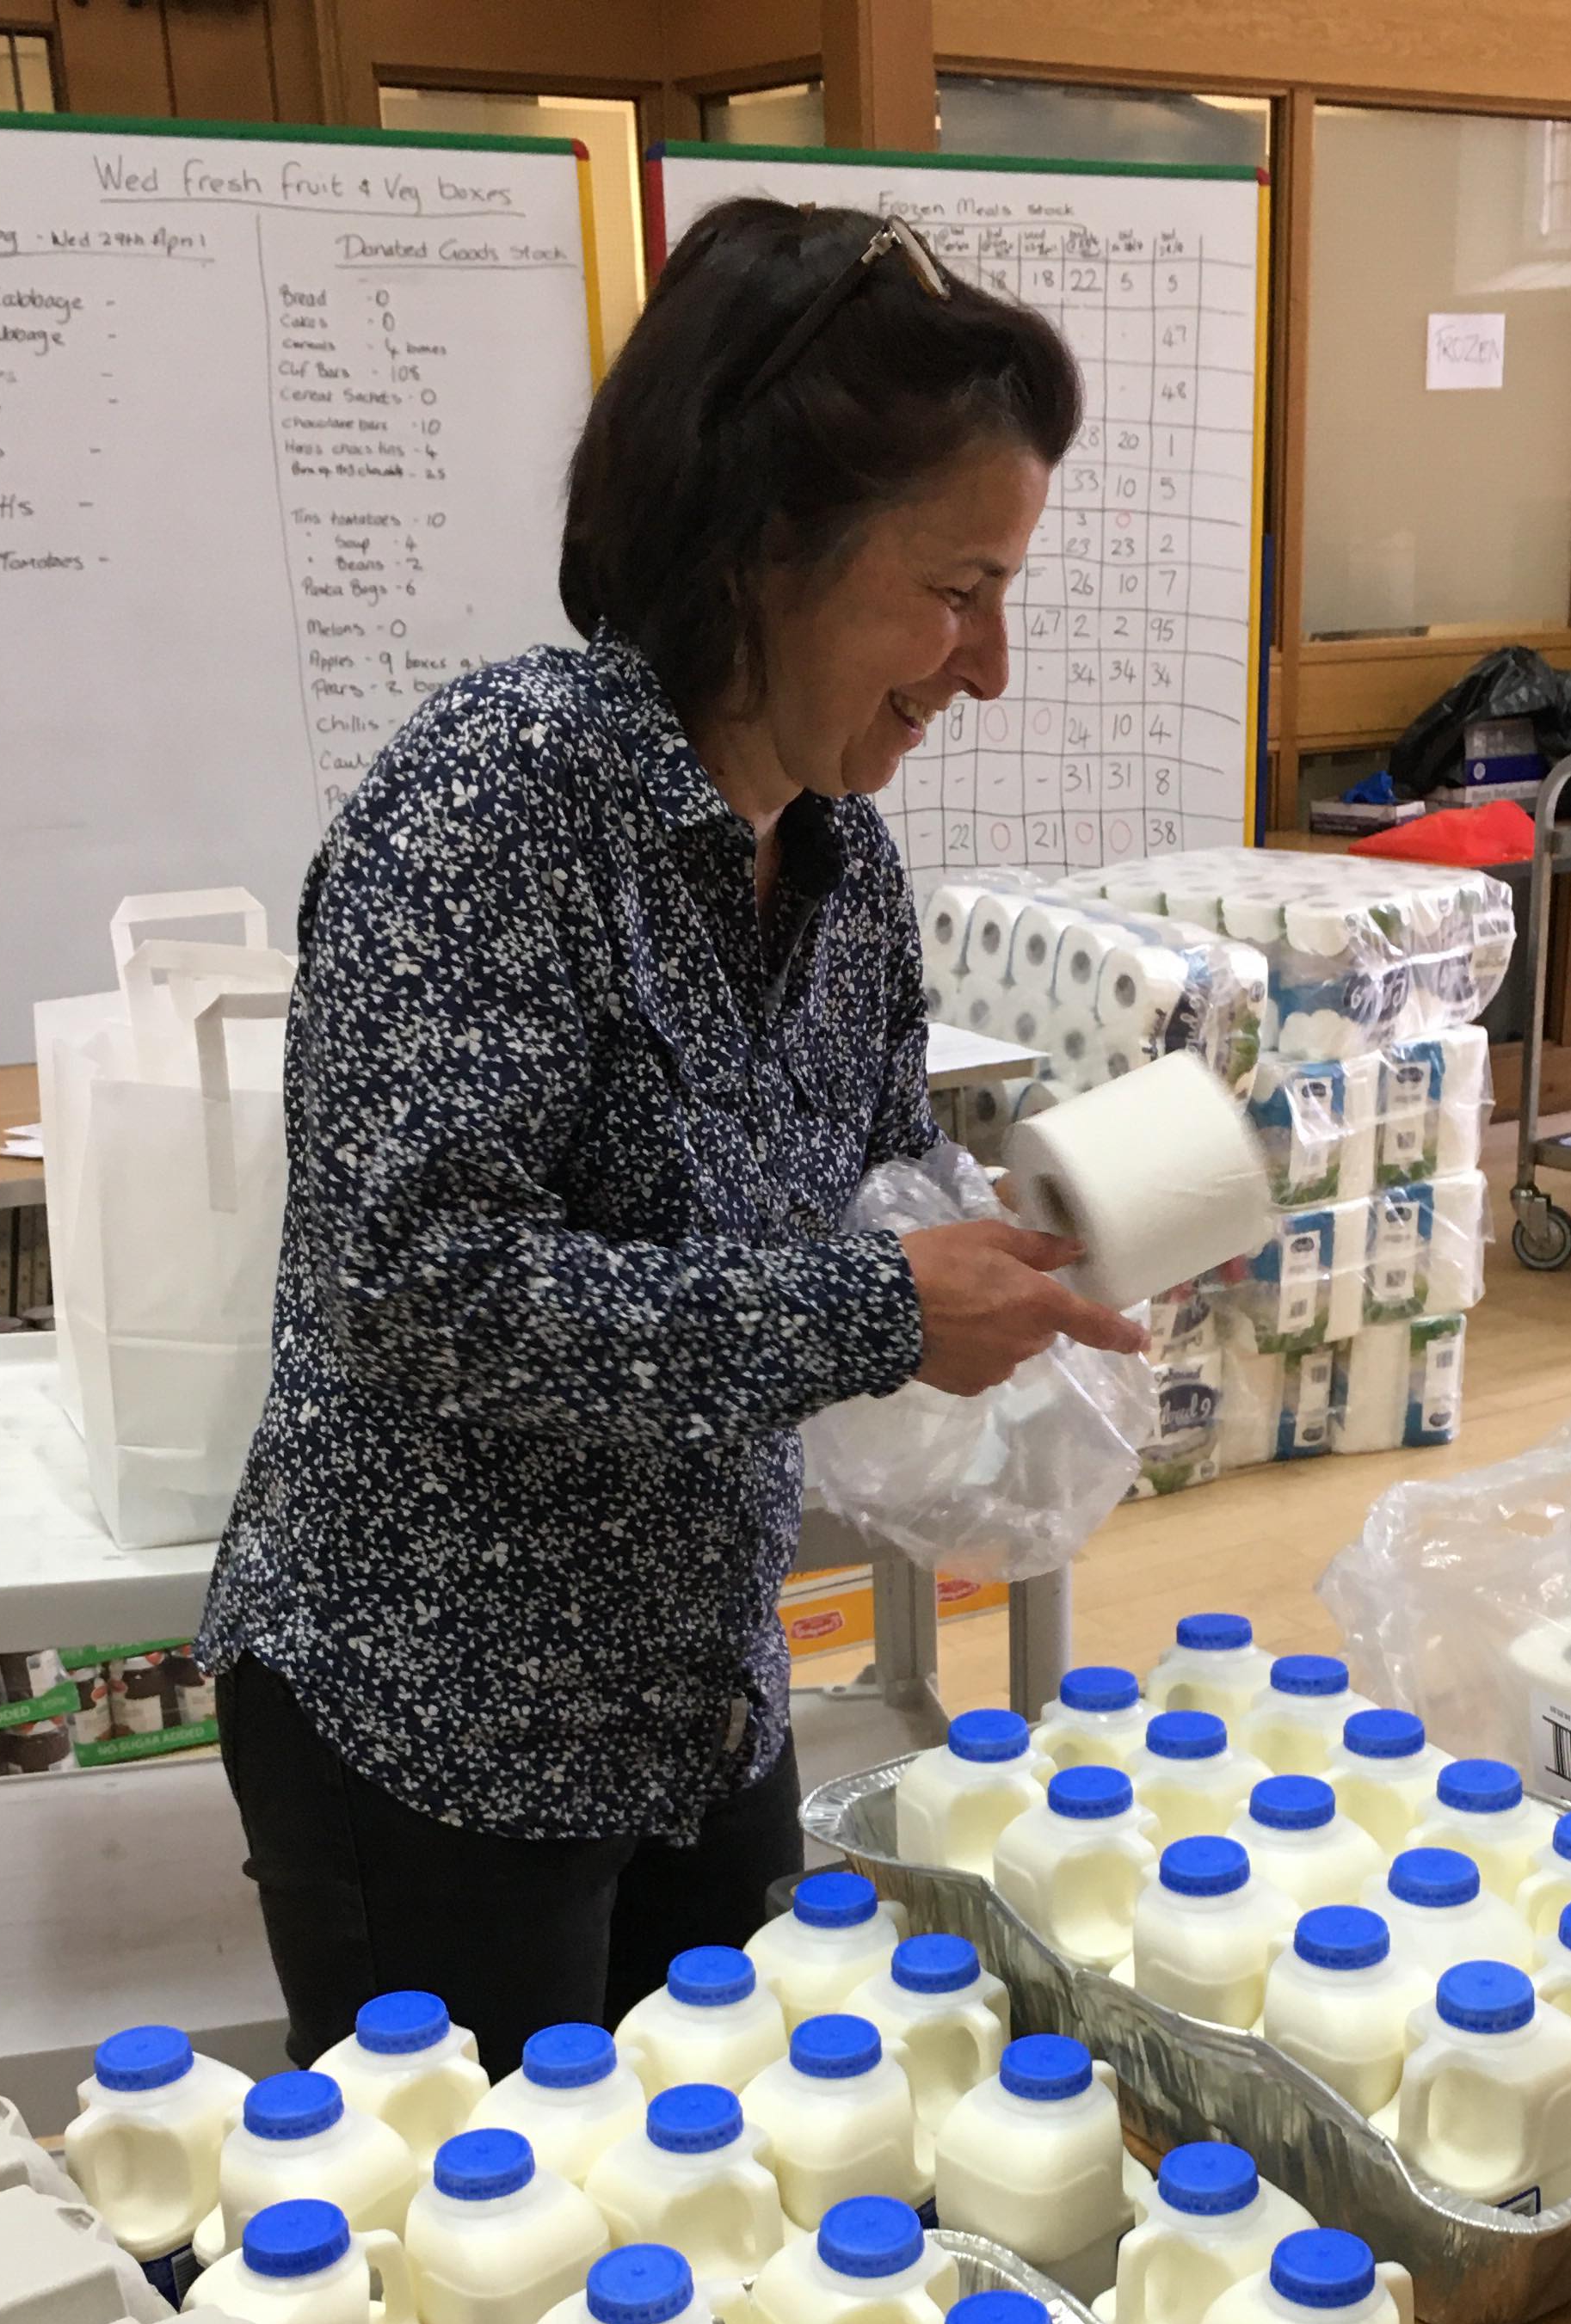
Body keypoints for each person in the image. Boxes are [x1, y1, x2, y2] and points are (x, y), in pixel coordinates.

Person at [201, 200, 1142, 2076]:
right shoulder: (494, 809)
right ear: (763, 545)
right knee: (489, 2274)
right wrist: (881, 1314)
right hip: (438, 1718)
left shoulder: (844, 869)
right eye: (957, 590)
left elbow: (868, 1210)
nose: (990, 665)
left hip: (701, 1685)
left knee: (706, 2207)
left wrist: (1016, 1271)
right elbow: (426, 1288)